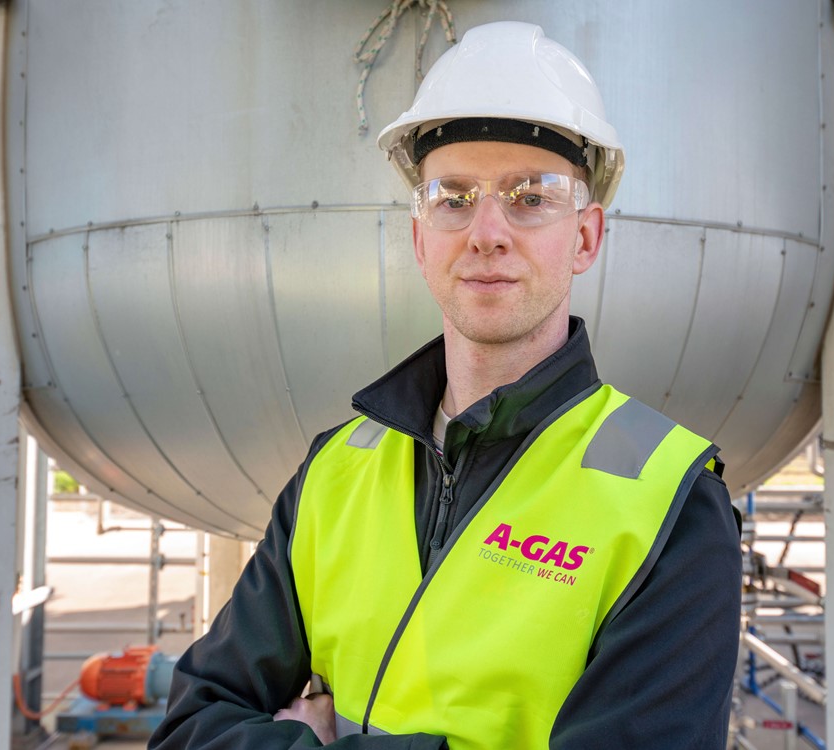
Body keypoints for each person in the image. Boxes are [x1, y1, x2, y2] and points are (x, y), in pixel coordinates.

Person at [149, 21, 740, 750]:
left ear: (585, 236)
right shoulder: (336, 471)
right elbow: (188, 727)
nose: (486, 231)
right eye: (453, 197)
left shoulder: (669, 500)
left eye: (532, 195)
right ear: (420, 236)